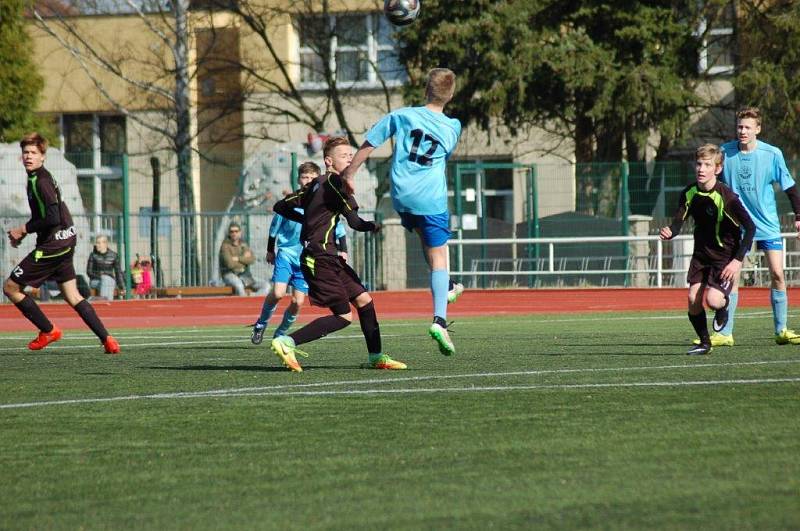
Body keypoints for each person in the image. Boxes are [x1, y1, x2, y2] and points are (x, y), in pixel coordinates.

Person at [340, 67, 464, 356]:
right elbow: (442, 155)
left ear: (425, 90)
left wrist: (350, 173)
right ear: (451, 95)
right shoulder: (453, 126)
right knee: (439, 256)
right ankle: (440, 320)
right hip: (430, 199)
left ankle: (448, 285)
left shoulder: (402, 115)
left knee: (425, 240)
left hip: (402, 196)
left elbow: (370, 142)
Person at [269, 137, 406, 372]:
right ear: (328, 161)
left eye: (352, 156)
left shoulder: (315, 185)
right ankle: (287, 341)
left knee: (364, 300)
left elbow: (280, 206)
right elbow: (355, 223)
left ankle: (376, 357)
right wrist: (375, 226)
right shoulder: (336, 182)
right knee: (343, 317)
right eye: (345, 156)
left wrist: (307, 221)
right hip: (320, 258)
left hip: (329, 257)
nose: (350, 160)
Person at [4, 132, 120, 354]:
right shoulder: (39, 178)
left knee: (10, 287)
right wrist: (26, 233)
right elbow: (49, 215)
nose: (28, 156)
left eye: (33, 153)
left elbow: (53, 217)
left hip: (53, 245)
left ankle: (48, 330)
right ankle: (107, 339)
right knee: (72, 295)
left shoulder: (41, 181)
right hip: (66, 240)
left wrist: (23, 229)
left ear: (43, 157)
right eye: (25, 152)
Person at [714, 107, 800, 346]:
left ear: (758, 129)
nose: (742, 131)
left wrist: (799, 216)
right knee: (732, 277)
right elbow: (712, 183)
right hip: (737, 227)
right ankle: (725, 333)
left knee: (777, 274)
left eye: (747, 127)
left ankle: (781, 330)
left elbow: (790, 188)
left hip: (768, 225)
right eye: (740, 126)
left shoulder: (772, 154)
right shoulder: (724, 153)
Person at [660, 144, 756, 355]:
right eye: (699, 164)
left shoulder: (727, 197)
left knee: (713, 300)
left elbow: (750, 228)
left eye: (707, 165)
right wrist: (671, 231)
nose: (701, 169)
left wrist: (737, 261)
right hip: (702, 255)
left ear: (718, 169)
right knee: (693, 300)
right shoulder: (689, 192)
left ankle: (723, 307)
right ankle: (705, 343)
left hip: (725, 257)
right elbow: (678, 222)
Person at [219, 222, 267, 296]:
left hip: (244, 274)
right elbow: (230, 264)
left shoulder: (243, 244)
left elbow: (252, 259)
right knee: (239, 286)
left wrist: (237, 258)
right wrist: (244, 260)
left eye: (236, 231)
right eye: (231, 231)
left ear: (240, 232)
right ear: (229, 233)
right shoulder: (225, 246)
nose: (234, 233)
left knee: (266, 286)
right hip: (229, 274)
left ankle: (251, 297)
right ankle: (243, 302)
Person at [86, 235, 125, 300]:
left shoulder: (114, 255)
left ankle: (102, 300)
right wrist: (101, 276)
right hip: (95, 281)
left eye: (98, 243)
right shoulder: (93, 255)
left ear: (105, 244)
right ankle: (105, 302)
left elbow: (118, 272)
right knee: (106, 279)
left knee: (109, 281)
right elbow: (89, 272)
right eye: (96, 242)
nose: (96, 245)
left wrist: (122, 287)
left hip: (110, 281)